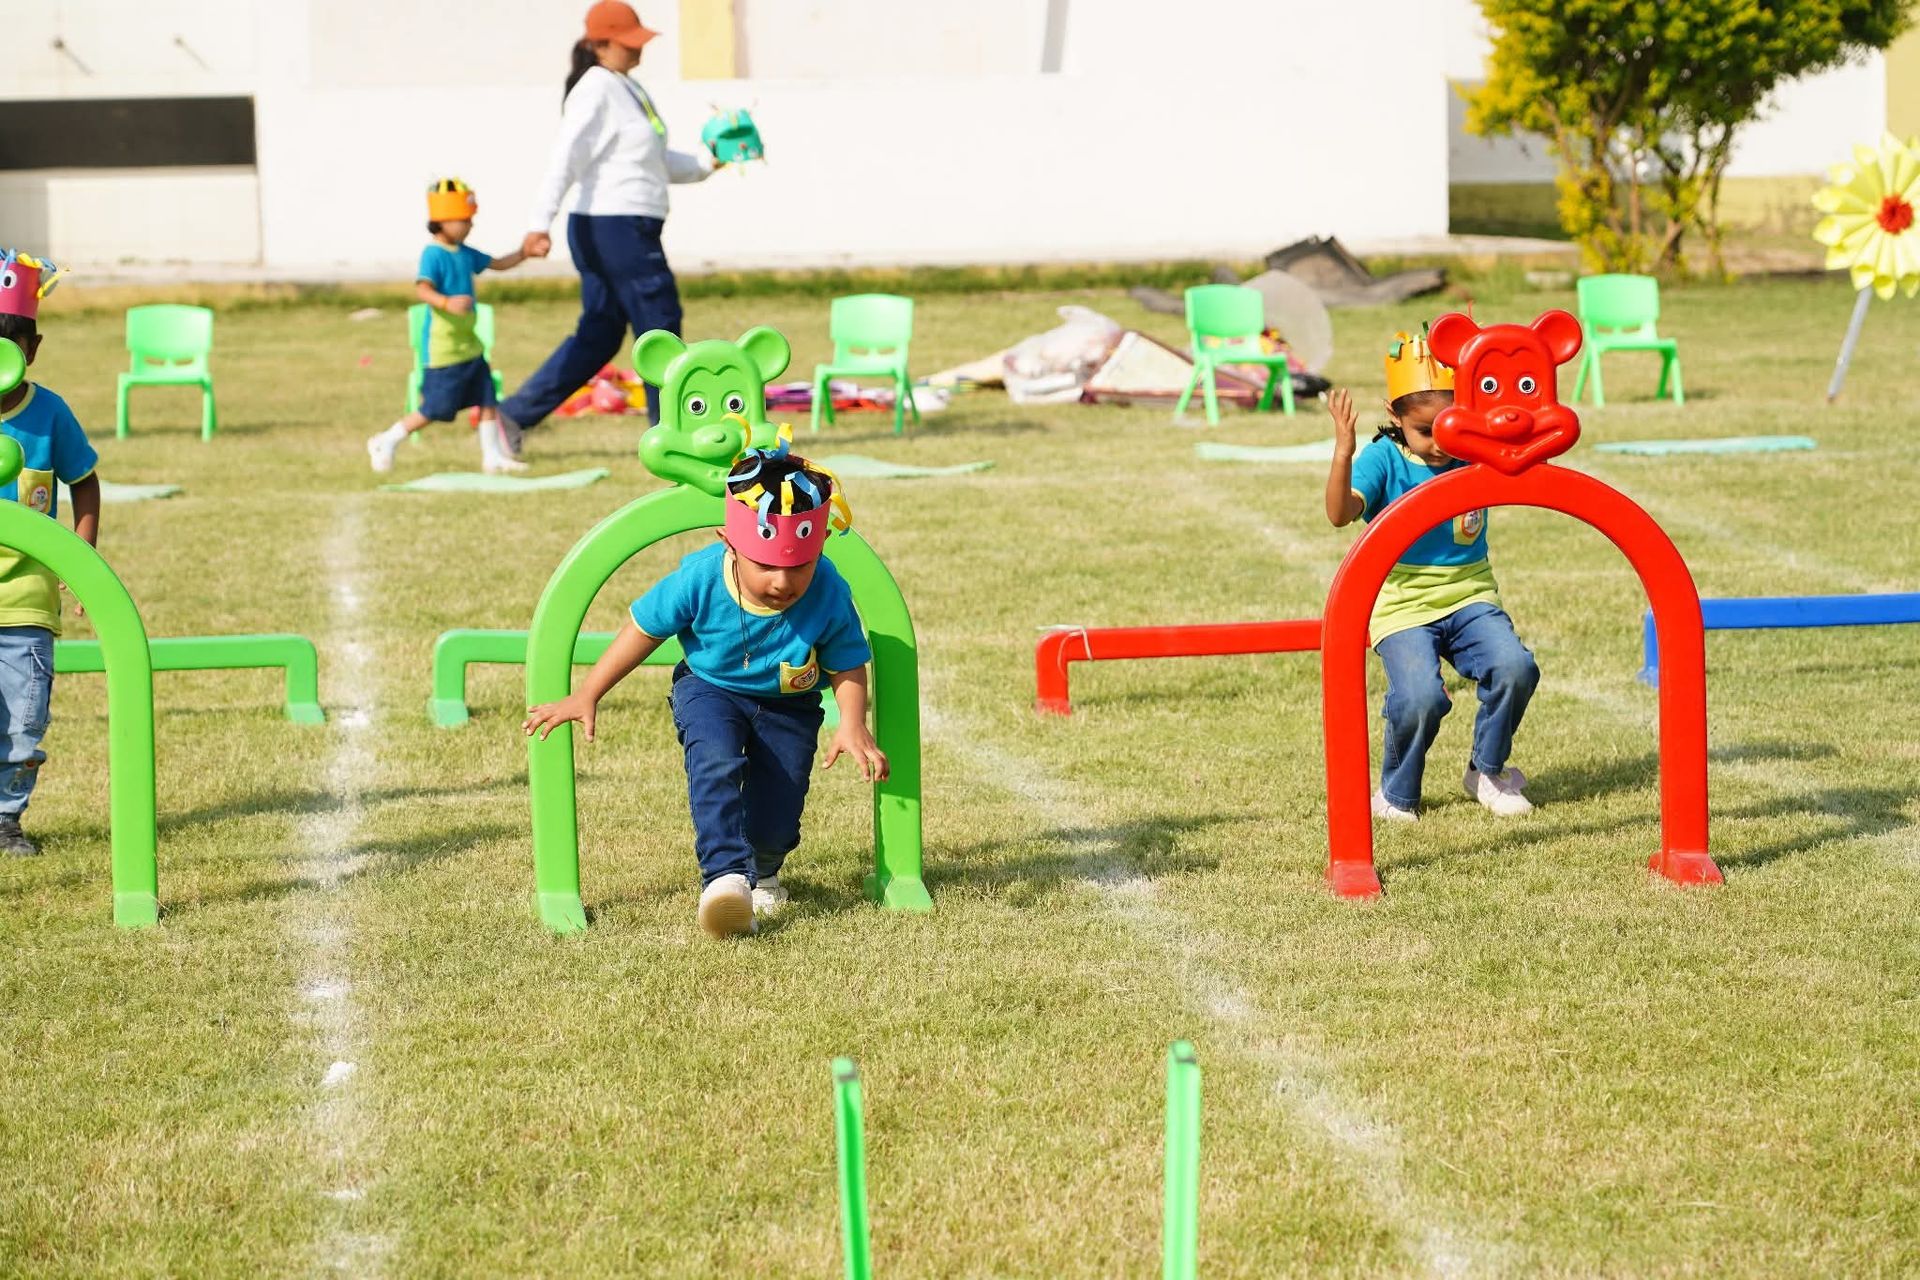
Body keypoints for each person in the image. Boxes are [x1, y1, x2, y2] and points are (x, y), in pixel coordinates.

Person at [522, 440, 886, 938]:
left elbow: (847, 661)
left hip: (791, 705)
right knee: (715, 763)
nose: (783, 582)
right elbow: (643, 629)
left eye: (798, 566)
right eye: (766, 566)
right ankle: (725, 880)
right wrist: (589, 692)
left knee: (780, 810)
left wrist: (851, 722)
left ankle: (764, 869)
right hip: (709, 689)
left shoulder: (827, 587)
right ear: (729, 543)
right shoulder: (699, 577)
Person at [1324, 328, 1539, 823]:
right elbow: (1339, 514)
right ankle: (1398, 794)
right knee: (1419, 697)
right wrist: (1343, 451)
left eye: (1449, 427)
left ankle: (1486, 770)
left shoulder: (1474, 446)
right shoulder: (1383, 457)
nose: (1441, 444)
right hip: (1401, 603)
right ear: (1394, 415)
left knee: (1515, 667)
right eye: (1425, 430)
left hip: (1469, 595)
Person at [498, 1, 721, 449]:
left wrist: (709, 161)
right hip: (613, 228)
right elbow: (564, 159)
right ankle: (671, 437)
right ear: (600, 45)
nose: (639, 50)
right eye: (628, 43)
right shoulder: (596, 89)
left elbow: (654, 163)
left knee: (600, 336)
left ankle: (511, 417)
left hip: (622, 227)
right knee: (660, 324)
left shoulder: (627, 88)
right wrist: (538, 224)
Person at [0, 250, 102, 856]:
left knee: (23, 721)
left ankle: (6, 819)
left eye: (8, 343)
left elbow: (83, 480)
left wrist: (81, 559)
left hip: (27, 601)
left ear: (31, 348)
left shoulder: (49, 412)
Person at [367, 178, 530, 474]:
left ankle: (491, 457)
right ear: (442, 221)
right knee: (436, 409)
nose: (470, 226)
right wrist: (446, 303)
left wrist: (524, 252)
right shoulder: (434, 255)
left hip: (469, 343)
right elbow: (423, 289)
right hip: (444, 351)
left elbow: (498, 264)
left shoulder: (465, 253)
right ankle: (386, 440)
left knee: (487, 399)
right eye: (464, 220)